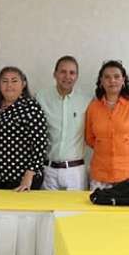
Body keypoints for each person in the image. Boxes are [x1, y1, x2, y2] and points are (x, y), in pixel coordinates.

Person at [85, 60, 129, 190]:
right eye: (107, 77)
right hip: (100, 174)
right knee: (99, 209)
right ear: (101, 81)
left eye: (116, 76)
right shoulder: (93, 107)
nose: (112, 81)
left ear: (123, 80)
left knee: (127, 210)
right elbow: (89, 138)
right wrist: (106, 144)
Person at [35, 55, 92, 190]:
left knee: (74, 211)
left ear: (77, 76)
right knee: (48, 210)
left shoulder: (87, 100)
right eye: (63, 72)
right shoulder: (41, 97)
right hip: (48, 169)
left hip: (75, 171)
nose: (67, 76)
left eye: (72, 73)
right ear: (55, 74)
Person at [0, 66, 48, 190]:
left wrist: (29, 174)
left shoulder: (31, 107)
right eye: (4, 81)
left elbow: (40, 143)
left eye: (14, 81)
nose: (9, 85)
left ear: (23, 84)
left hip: (23, 179)